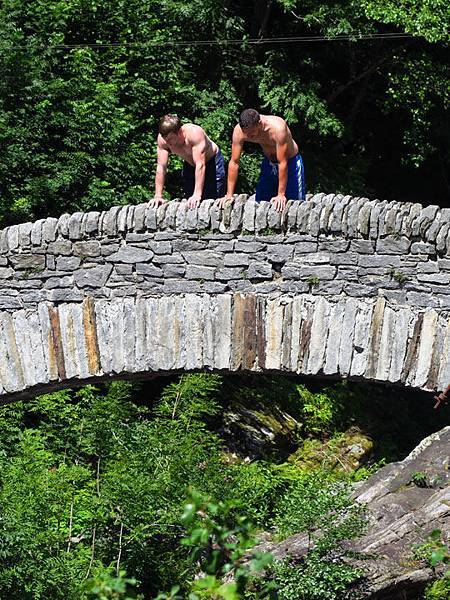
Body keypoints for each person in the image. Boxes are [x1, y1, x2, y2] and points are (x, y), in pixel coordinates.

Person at [218, 108, 305, 212]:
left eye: (252, 133)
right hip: (269, 163)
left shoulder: (278, 128)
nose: (249, 136)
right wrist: (229, 194)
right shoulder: (239, 131)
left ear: (259, 123)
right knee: (261, 204)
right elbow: (234, 162)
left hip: (290, 163)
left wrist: (281, 194)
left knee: (295, 206)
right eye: (246, 133)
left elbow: (283, 162)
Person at [149, 114, 225, 209]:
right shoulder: (163, 140)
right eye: (165, 139)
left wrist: (197, 194)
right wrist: (158, 196)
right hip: (190, 165)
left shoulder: (194, 133)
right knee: (191, 202)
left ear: (179, 132)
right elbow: (161, 167)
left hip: (211, 162)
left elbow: (200, 164)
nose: (168, 143)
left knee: (213, 201)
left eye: (170, 139)